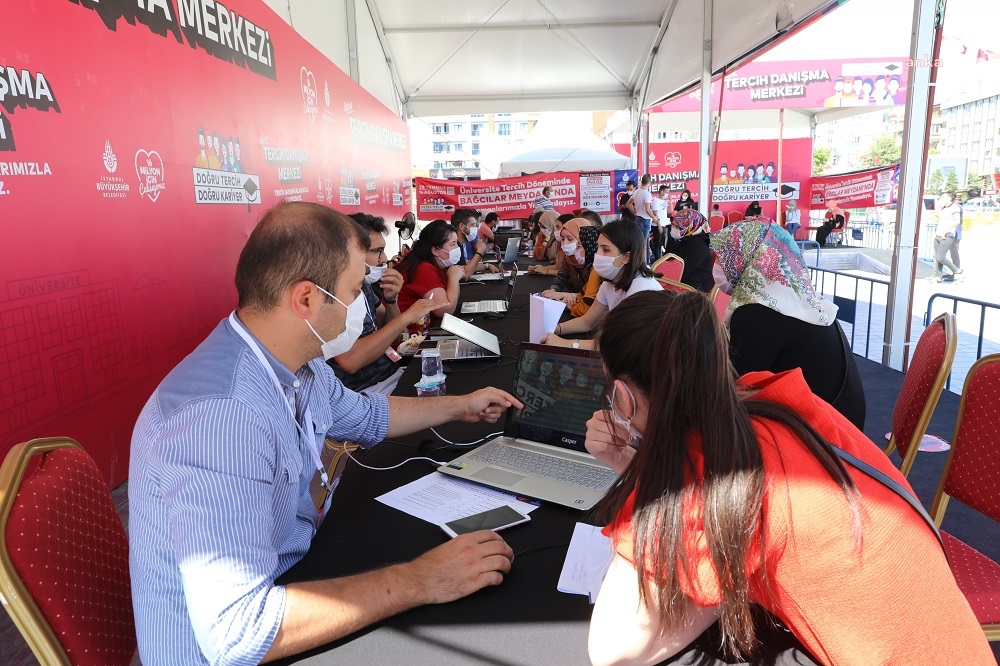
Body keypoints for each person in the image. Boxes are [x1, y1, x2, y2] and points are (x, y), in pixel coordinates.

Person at [128, 202, 521, 664]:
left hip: (293, 569)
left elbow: (366, 415)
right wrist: (419, 582)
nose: (363, 304)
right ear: (307, 300)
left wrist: (460, 405)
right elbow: (239, 634)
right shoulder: (222, 420)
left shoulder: (295, 361)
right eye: (355, 290)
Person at [584, 290, 993, 666]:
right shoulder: (769, 399)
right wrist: (632, 463)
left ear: (623, 396)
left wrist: (633, 475)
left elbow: (611, 651)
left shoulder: (716, 470)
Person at [711, 220, 866, 429]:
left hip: (825, 438)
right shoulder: (798, 299)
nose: (718, 264)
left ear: (749, 257)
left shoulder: (757, 312)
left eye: (725, 256)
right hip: (847, 425)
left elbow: (737, 390)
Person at [328, 213, 437, 394]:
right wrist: (407, 316)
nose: (384, 258)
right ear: (349, 252)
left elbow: (391, 335)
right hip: (366, 391)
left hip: (391, 374)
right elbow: (350, 361)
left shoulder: (363, 284)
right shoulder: (329, 295)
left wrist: (391, 299)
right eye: (377, 251)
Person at [541, 219, 661, 350]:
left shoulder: (640, 291)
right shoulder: (610, 282)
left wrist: (567, 343)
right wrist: (554, 330)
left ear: (627, 257)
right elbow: (587, 321)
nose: (597, 254)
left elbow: (619, 344)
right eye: (598, 247)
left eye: (606, 250)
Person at [395, 219, 464, 320]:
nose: (458, 248)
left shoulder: (436, 264)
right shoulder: (424, 269)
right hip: (413, 333)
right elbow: (445, 310)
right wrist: (453, 278)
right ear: (436, 250)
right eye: (453, 244)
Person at [542, 218, 601, 317]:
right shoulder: (569, 257)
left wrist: (563, 295)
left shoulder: (597, 266)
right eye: (562, 239)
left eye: (570, 239)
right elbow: (561, 276)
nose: (564, 243)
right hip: (576, 303)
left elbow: (592, 297)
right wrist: (553, 291)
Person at [668, 207, 714, 292]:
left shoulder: (698, 244)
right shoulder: (684, 239)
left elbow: (682, 271)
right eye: (673, 225)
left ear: (691, 226)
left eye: (677, 226)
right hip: (685, 285)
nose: (673, 228)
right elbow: (668, 260)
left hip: (698, 291)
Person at [451, 208, 498, 279]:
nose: (476, 228)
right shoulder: (453, 247)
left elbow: (465, 266)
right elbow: (465, 274)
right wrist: (480, 252)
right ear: (462, 227)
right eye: (473, 225)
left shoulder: (462, 244)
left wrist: (487, 266)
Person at [932, 191, 964, 283]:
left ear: (949, 198)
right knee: (937, 256)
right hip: (938, 234)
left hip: (947, 235)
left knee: (941, 257)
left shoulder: (955, 208)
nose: (941, 199)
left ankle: (957, 270)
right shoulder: (943, 208)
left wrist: (945, 230)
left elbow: (957, 221)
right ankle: (938, 276)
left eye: (943, 197)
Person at [632, 175, 655, 262]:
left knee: (638, 243)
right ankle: (643, 264)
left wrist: (635, 213)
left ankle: (638, 263)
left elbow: (628, 203)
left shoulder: (637, 191)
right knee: (643, 244)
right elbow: (648, 209)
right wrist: (654, 218)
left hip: (638, 217)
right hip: (645, 219)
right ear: (650, 183)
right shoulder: (647, 193)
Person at [650, 185, 668, 261]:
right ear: (661, 192)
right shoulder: (656, 201)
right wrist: (659, 225)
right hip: (657, 225)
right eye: (666, 192)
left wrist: (670, 200)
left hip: (664, 224)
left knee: (661, 244)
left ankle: (660, 259)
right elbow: (655, 214)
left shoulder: (664, 201)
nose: (667, 194)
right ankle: (657, 260)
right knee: (657, 244)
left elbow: (670, 209)